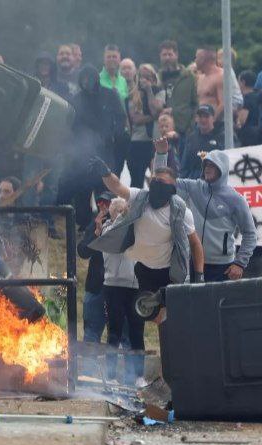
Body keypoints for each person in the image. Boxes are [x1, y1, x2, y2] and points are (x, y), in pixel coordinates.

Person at [88, 157, 206, 311]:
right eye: (154, 180)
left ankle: (164, 308)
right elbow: (117, 187)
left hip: (169, 270)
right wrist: (106, 173)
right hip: (143, 267)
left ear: (171, 188)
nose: (156, 184)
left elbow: (195, 244)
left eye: (161, 182)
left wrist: (199, 275)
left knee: (173, 312)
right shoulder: (140, 197)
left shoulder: (181, 211)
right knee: (152, 314)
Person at [153, 137, 257, 281]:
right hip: (193, 263)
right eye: (206, 165)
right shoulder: (193, 187)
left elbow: (250, 234)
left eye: (212, 165)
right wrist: (161, 154)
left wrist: (240, 263)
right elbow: (161, 183)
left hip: (223, 268)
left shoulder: (236, 199)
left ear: (222, 169)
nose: (207, 168)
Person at [65, 65, 128, 227]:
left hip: (105, 151)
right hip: (82, 152)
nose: (87, 82)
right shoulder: (76, 99)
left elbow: (121, 118)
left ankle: (107, 223)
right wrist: (76, 144)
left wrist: (114, 135)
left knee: (105, 189)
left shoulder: (110, 95)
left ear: (96, 79)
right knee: (82, 190)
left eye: (90, 78)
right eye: (84, 79)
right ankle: (84, 225)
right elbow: (69, 125)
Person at [101, 198, 145, 387]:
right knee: (114, 332)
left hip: (135, 287)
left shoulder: (136, 229)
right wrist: (125, 216)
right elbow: (118, 231)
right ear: (111, 212)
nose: (120, 213)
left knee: (137, 332)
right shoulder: (107, 230)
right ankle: (110, 376)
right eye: (117, 210)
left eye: (123, 210)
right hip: (114, 285)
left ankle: (138, 376)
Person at [77, 191, 115, 344]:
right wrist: (97, 232)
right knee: (91, 332)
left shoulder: (126, 224)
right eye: (100, 203)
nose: (102, 207)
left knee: (117, 333)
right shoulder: (95, 223)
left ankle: (116, 367)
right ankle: (89, 368)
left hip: (118, 286)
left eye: (106, 203)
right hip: (95, 285)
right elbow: (83, 251)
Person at [127, 64, 165, 188]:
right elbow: (136, 119)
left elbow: (155, 110)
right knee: (136, 182)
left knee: (159, 179)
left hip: (155, 141)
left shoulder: (159, 91)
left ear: (154, 78)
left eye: (148, 77)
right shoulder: (132, 95)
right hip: (138, 142)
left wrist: (149, 91)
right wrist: (154, 117)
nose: (144, 80)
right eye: (142, 77)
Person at [158, 40, 198, 141]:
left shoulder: (189, 77)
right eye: (164, 55)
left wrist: (191, 127)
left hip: (183, 130)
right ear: (160, 56)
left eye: (170, 54)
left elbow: (195, 103)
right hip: (162, 130)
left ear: (176, 55)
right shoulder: (157, 78)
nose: (167, 58)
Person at [181, 104, 225, 179]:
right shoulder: (191, 138)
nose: (203, 120)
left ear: (213, 118)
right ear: (196, 119)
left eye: (206, 116)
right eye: (200, 116)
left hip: (215, 182)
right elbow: (185, 166)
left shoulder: (222, 137)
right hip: (195, 183)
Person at [195, 47, 225, 122]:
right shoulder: (200, 78)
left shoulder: (220, 76)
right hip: (200, 124)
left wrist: (212, 120)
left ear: (203, 59)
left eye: (196, 57)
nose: (195, 60)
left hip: (215, 125)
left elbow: (223, 103)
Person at [236, 70, 261, 146]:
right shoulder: (259, 95)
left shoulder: (246, 99)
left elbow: (241, 122)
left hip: (249, 136)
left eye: (238, 81)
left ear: (243, 82)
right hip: (260, 132)